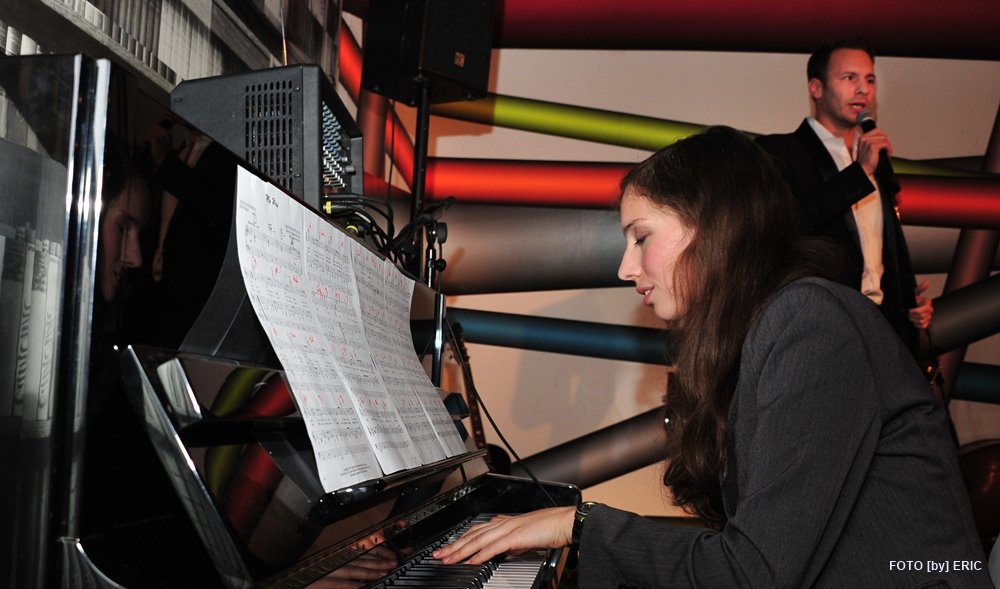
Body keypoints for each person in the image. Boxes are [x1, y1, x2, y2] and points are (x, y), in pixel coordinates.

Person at [433, 127, 991, 588]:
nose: (625, 268)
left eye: (640, 237)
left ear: (713, 226)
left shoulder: (810, 320)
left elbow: (753, 573)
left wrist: (579, 524)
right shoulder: (770, 328)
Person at [755, 38, 933, 368]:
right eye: (849, 78)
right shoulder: (779, 152)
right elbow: (790, 226)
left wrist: (908, 301)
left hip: (882, 331)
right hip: (821, 333)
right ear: (816, 87)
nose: (863, 89)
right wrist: (859, 173)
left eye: (870, 79)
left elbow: (879, 250)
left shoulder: (874, 159)